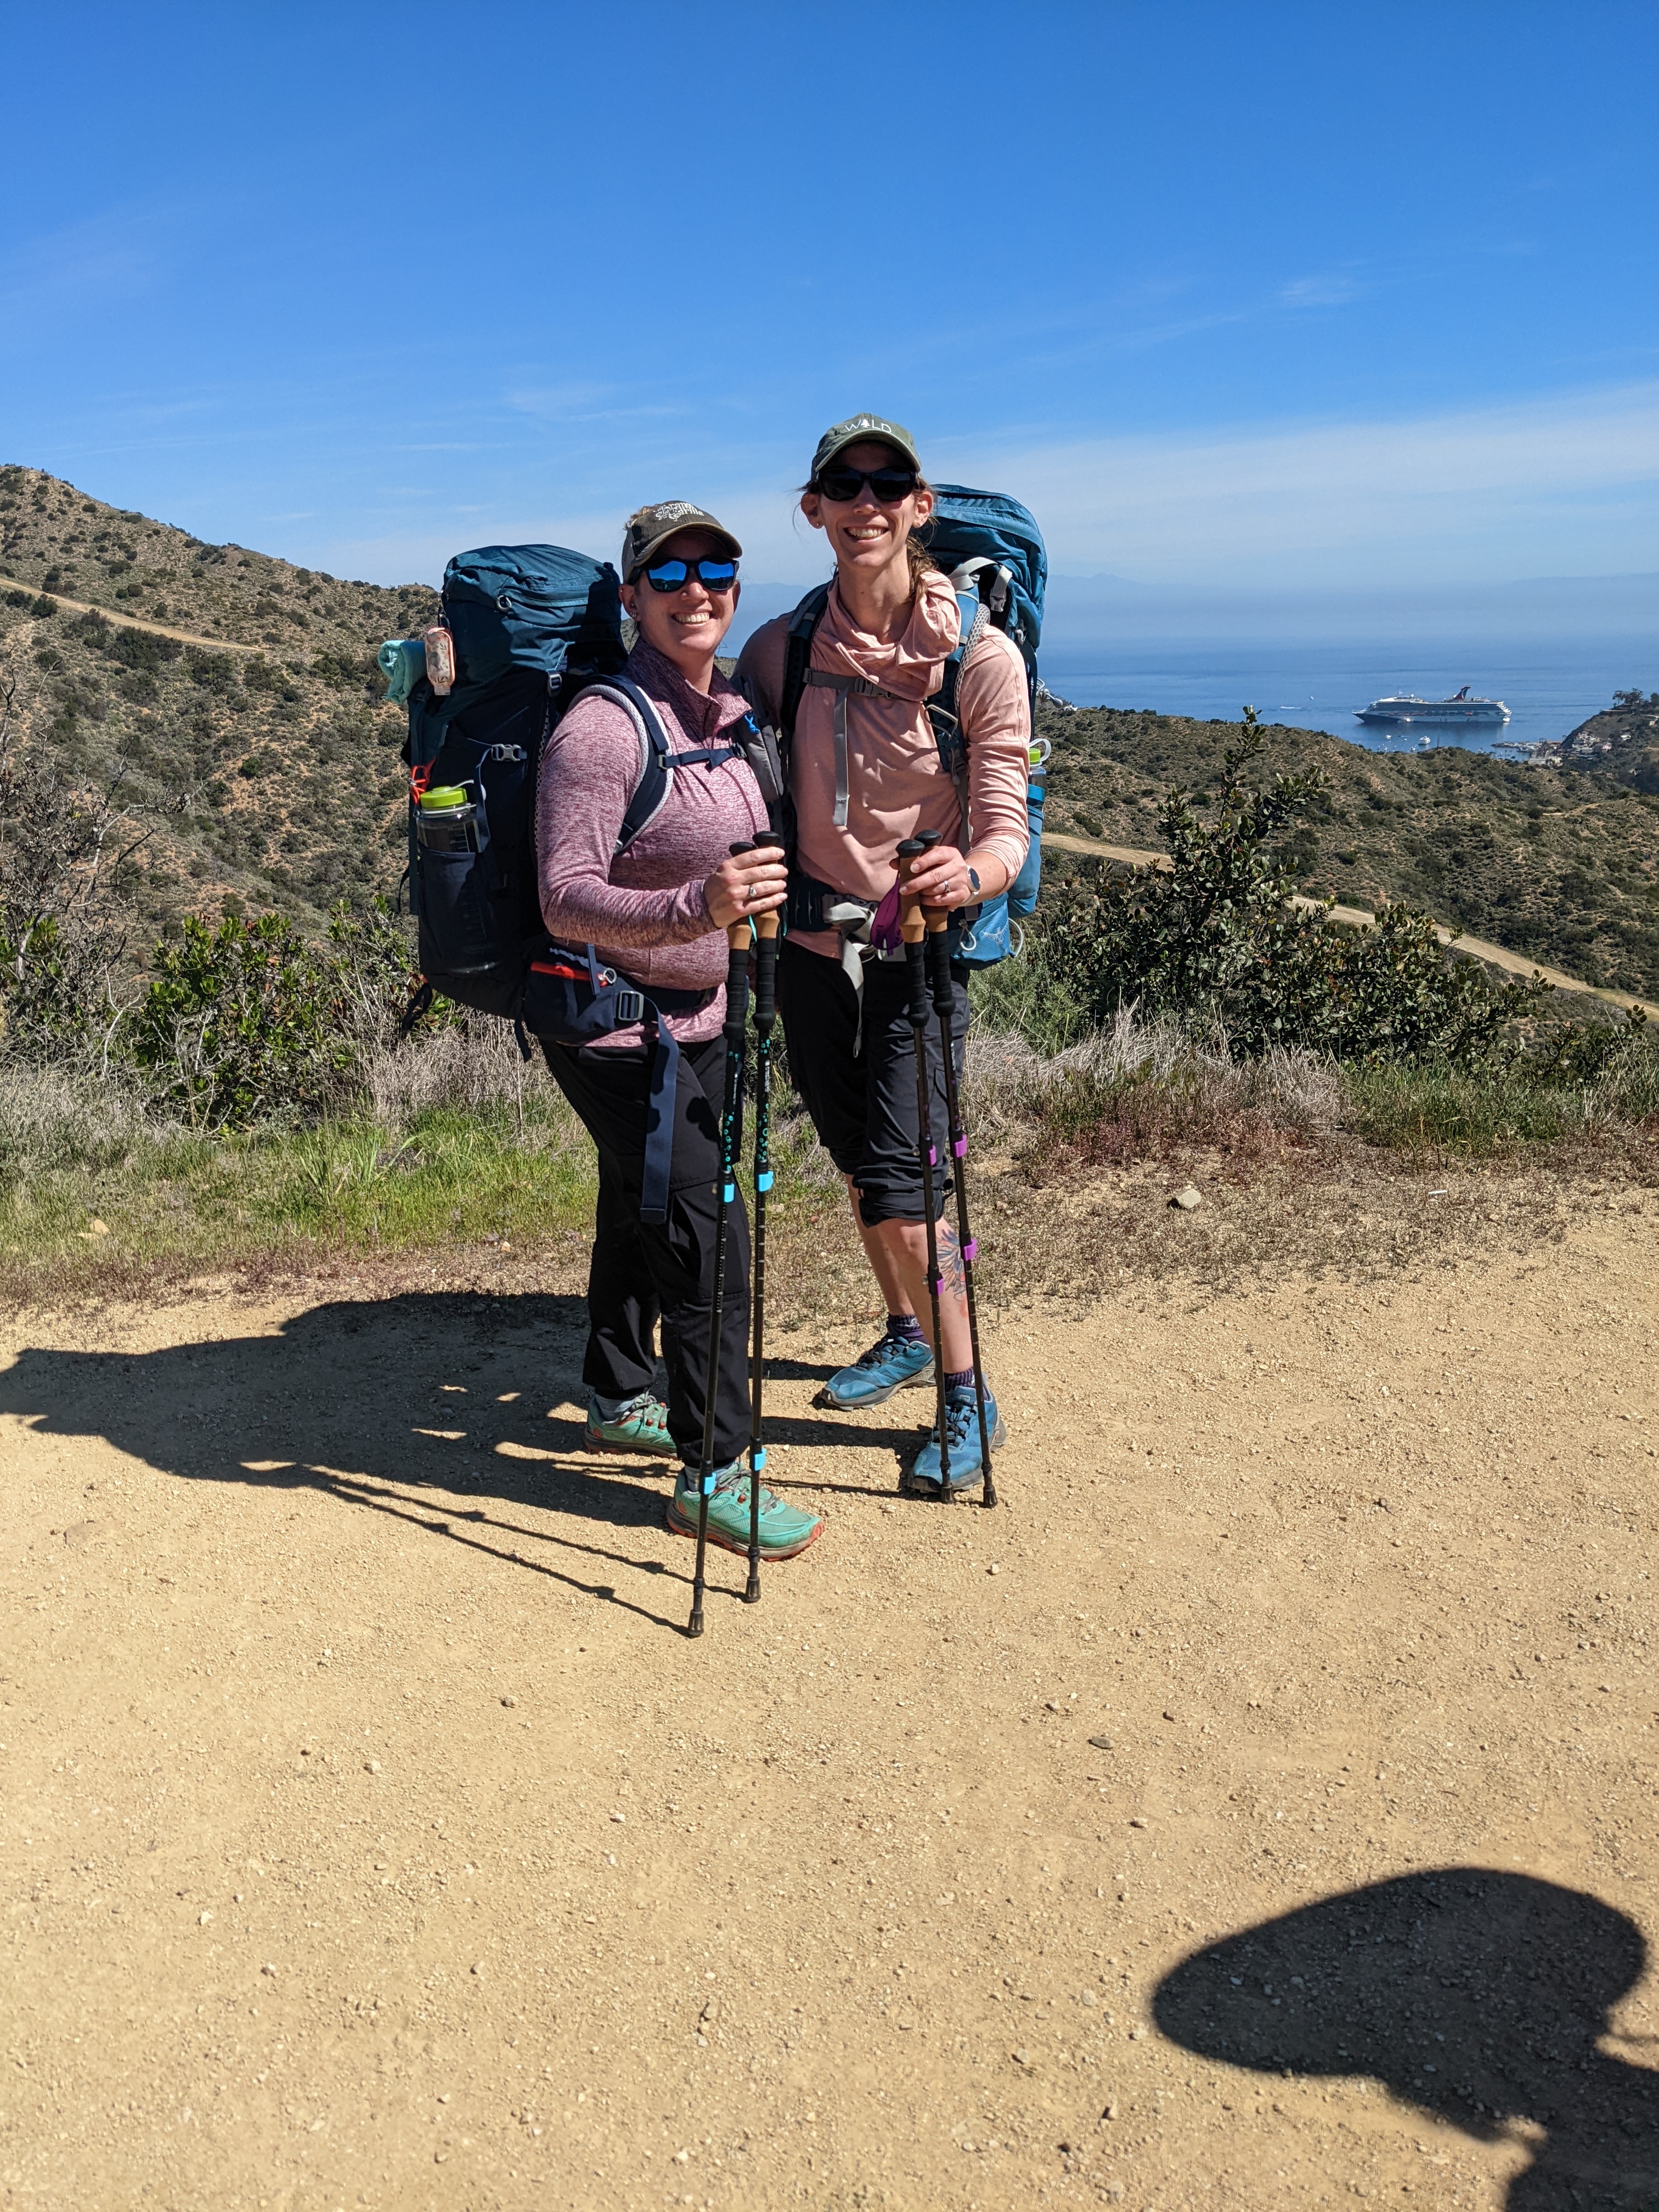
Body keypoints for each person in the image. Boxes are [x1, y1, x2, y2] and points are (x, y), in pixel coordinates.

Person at [736, 417, 1031, 1494]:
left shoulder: (978, 660)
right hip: (808, 954)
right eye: (841, 486)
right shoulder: (782, 649)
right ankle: (906, 1330)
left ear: (920, 505)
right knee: (865, 1171)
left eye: (886, 484)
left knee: (909, 1193)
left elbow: (1005, 820)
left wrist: (976, 874)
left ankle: (966, 1389)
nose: (864, 503)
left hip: (916, 957)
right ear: (813, 509)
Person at [534, 500, 822, 1562]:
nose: (696, 588)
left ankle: (616, 1388)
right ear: (631, 598)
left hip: (702, 1012)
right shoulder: (604, 730)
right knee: (708, 1238)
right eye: (670, 575)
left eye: (716, 569)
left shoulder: (729, 712)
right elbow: (565, 896)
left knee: (636, 1189)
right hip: (613, 1026)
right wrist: (695, 910)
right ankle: (716, 1470)